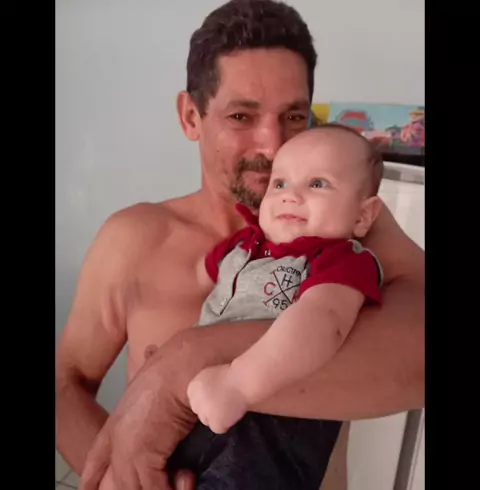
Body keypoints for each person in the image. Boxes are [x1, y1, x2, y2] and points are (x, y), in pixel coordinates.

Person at [55, 1, 425, 489]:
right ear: (191, 116)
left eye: (293, 115)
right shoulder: (134, 239)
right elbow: (65, 383)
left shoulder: (353, 229)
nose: (272, 146)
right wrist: (118, 478)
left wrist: (184, 361)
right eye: (241, 115)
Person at [187, 124, 385, 435]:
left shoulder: (340, 259)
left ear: (362, 216)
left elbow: (324, 322)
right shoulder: (243, 244)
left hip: (273, 413)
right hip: (210, 394)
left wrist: (238, 385)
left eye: (318, 183)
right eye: (279, 183)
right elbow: (199, 279)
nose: (290, 195)